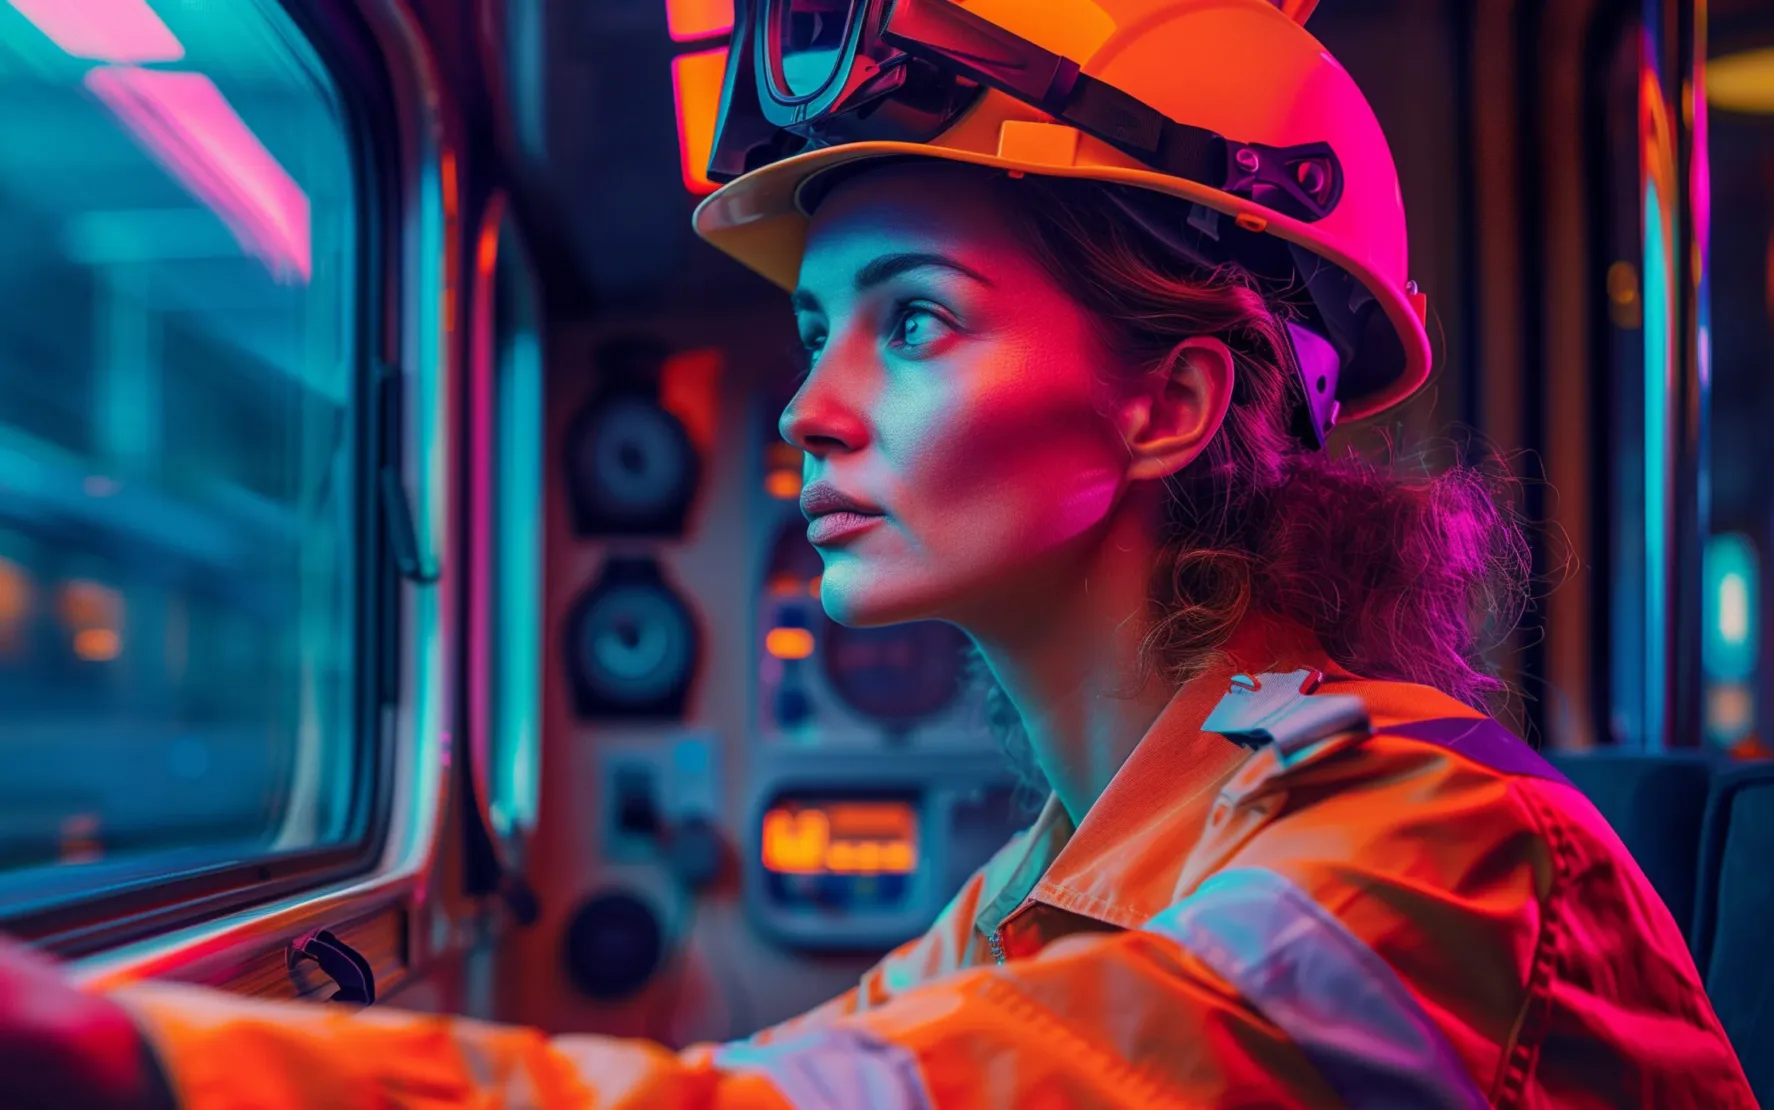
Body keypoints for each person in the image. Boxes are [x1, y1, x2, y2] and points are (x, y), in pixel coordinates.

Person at [0, 0, 1755, 1106]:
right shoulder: (1055, 881)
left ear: (1171, 401)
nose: (806, 411)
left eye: (912, 323)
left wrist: (115, 1050)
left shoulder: (1432, 861)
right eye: (820, 326)